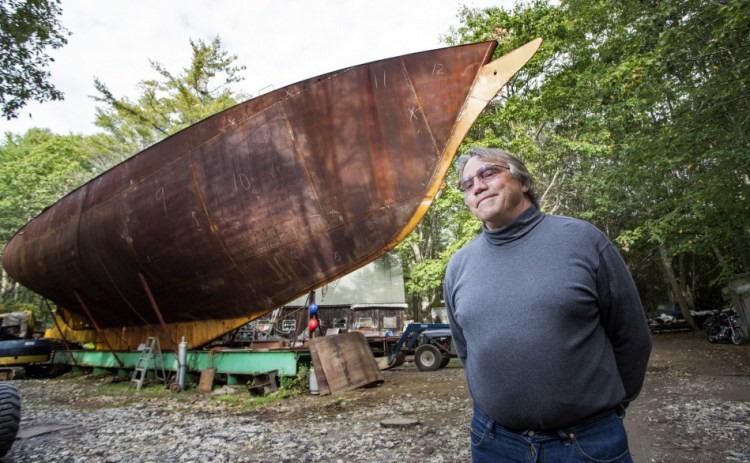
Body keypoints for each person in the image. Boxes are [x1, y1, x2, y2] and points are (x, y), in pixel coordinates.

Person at [443, 147, 652, 462]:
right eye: (467, 183)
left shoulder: (583, 241)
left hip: (586, 443)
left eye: (489, 173)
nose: (478, 186)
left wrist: (612, 407)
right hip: (495, 443)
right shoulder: (458, 266)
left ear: (523, 181)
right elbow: (466, 349)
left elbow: (632, 336)